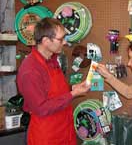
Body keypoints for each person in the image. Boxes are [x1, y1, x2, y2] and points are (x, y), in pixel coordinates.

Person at [17, 17, 90, 145]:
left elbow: (52, 90)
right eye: (60, 39)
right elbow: (41, 108)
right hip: (47, 136)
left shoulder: (52, 59)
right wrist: (73, 94)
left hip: (64, 130)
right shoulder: (31, 70)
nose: (65, 42)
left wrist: (72, 88)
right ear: (45, 41)